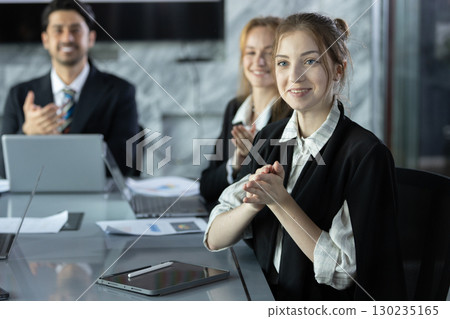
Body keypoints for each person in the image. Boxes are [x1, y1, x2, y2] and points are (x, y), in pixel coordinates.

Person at [204, 12, 406, 300]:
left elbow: (345, 272)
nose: (294, 76)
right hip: (262, 296)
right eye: (283, 63)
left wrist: (281, 202)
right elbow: (214, 237)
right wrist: (253, 205)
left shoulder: (365, 155)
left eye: (310, 61)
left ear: (338, 70)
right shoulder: (269, 138)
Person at [0, 0, 139, 177]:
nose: (67, 38)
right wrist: (27, 133)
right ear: (45, 39)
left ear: (91, 38)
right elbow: (3, 170)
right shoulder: (19, 95)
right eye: (58, 30)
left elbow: (126, 164)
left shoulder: (120, 92)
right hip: (36, 197)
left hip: (97, 198)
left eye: (75, 30)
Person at [199, 16, 291, 207]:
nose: (258, 61)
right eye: (251, 52)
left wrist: (253, 158)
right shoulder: (234, 108)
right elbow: (207, 187)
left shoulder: (293, 115)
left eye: (269, 52)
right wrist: (235, 164)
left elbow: (285, 190)